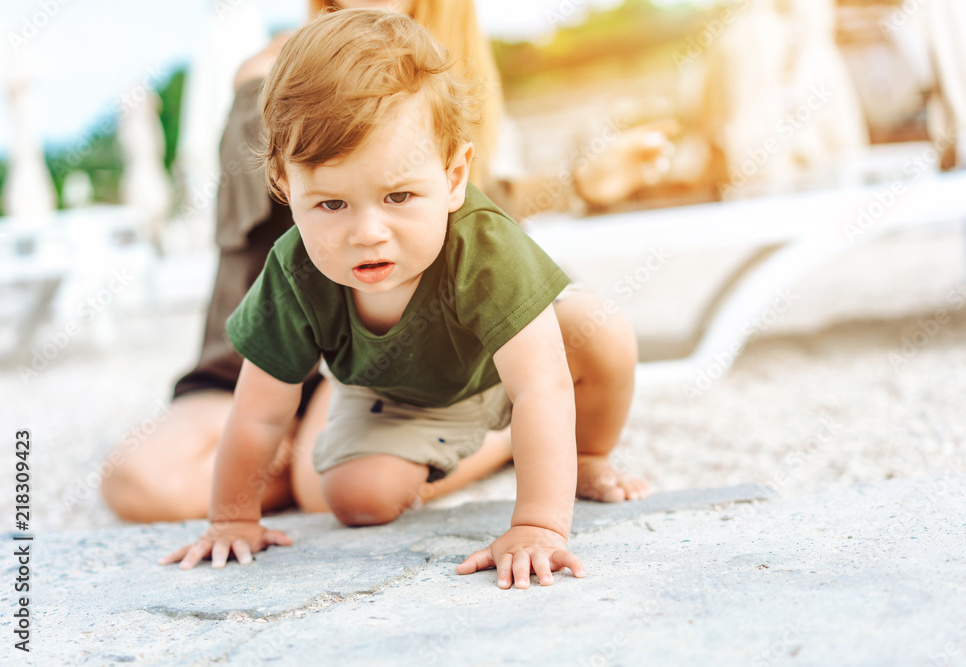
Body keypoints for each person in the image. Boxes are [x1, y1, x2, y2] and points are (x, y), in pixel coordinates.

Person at [158, 9, 647, 588]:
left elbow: (541, 385)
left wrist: (538, 526)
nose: (368, 233)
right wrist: (232, 518)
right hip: (399, 395)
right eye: (331, 204)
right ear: (285, 187)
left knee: (600, 329)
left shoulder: (484, 244)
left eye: (398, 197)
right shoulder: (294, 272)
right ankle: (503, 440)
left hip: (509, 364)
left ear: (454, 176)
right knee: (355, 500)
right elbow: (259, 412)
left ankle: (583, 454)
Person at [101, 0, 513, 522]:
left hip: (382, 346)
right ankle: (312, 445)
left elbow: (487, 229)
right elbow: (247, 239)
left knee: (329, 490)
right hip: (281, 338)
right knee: (143, 485)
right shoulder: (272, 73)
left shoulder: (446, 73)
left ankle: (502, 431)